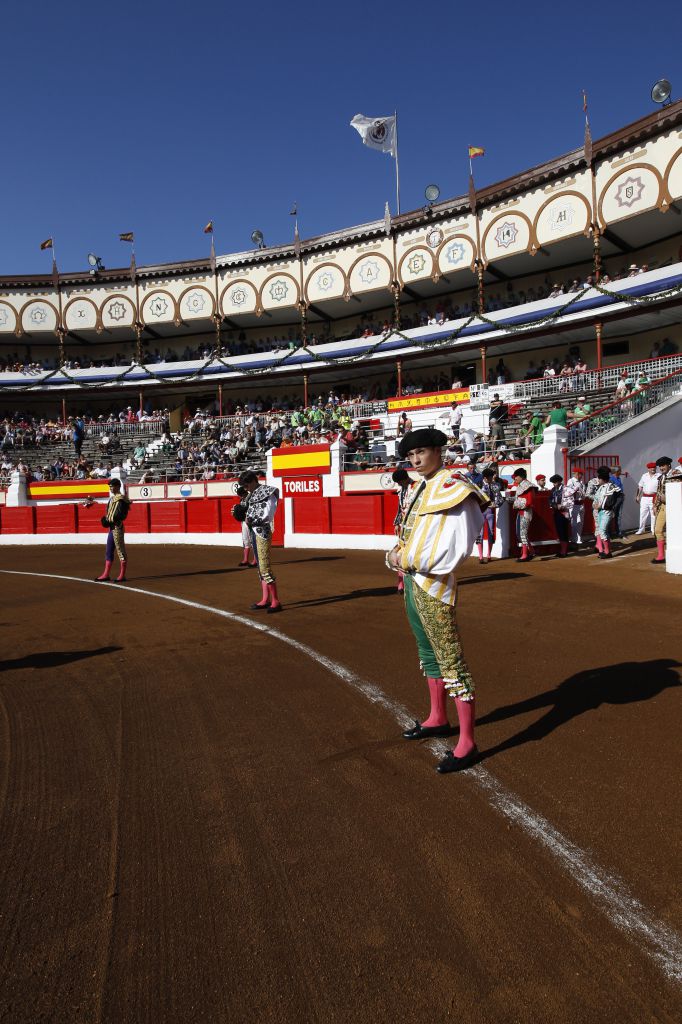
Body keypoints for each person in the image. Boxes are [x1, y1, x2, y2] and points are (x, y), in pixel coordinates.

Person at [386, 427, 487, 774]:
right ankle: (438, 717)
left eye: (421, 453)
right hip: (414, 583)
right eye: (410, 456)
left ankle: (468, 741)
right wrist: (398, 555)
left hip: (435, 584)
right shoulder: (419, 489)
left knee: (450, 657)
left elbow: (457, 548)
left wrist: (408, 560)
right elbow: (407, 534)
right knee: (427, 651)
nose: (415, 460)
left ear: (439, 451)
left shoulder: (455, 489)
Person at [233, 470, 282, 611]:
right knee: (260, 569)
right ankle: (265, 599)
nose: (246, 489)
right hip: (253, 531)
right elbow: (246, 511)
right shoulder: (251, 495)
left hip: (262, 532)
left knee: (265, 567)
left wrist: (252, 519)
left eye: (246, 486)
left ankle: (276, 601)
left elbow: (268, 514)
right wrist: (240, 514)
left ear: (252, 481)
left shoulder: (269, 492)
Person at [95, 478, 131, 583]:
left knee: (120, 551)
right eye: (110, 486)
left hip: (117, 527)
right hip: (112, 528)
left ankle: (122, 575)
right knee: (109, 550)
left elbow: (120, 515)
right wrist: (108, 520)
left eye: (112, 486)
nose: (111, 488)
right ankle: (106, 574)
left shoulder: (121, 499)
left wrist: (108, 520)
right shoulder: (113, 499)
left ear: (118, 486)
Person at [587, 466, 619, 559]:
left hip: (607, 508)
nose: (608, 475)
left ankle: (602, 548)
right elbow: (588, 494)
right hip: (597, 508)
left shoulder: (610, 482)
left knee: (604, 529)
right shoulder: (593, 482)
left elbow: (614, 496)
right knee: (599, 528)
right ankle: (601, 549)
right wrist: (599, 501)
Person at [476, 467, 505, 563]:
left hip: (490, 512)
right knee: (479, 534)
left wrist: (495, 505)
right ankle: (480, 556)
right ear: (485, 477)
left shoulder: (495, 485)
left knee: (491, 533)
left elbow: (500, 499)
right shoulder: (478, 485)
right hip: (480, 512)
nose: (491, 479)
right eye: (490, 477)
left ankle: (489, 555)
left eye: (491, 477)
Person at [391, 468, 413, 593]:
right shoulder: (401, 489)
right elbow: (400, 508)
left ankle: (409, 583)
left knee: (411, 554)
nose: (398, 484)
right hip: (403, 526)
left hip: (414, 527)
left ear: (404, 479)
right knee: (400, 553)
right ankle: (401, 583)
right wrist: (397, 523)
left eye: (399, 482)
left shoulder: (416, 487)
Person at [507, 468, 535, 561]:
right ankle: (531, 552)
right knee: (521, 533)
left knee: (523, 533)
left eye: (516, 476)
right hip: (520, 512)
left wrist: (517, 504)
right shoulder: (520, 485)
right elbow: (517, 499)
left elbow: (529, 501)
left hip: (526, 511)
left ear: (521, 476)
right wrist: (507, 499)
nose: (515, 478)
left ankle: (525, 555)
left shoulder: (528, 486)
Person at [652, 456, 673, 564]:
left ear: (669, 465)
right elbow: (658, 492)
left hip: (676, 506)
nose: (661, 468)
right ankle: (661, 556)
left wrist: (668, 498)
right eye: (660, 466)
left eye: (663, 465)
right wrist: (655, 505)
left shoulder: (676, 474)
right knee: (658, 530)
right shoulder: (661, 477)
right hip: (663, 506)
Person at [234, 484, 258, 567]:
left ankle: (255, 561)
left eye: (242, 495)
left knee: (253, 541)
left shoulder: (251, 498)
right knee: (246, 540)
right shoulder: (242, 500)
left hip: (252, 522)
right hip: (244, 522)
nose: (241, 496)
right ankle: (245, 560)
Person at [549, 475, 570, 556]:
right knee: (560, 531)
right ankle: (563, 550)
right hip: (556, 512)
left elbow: (570, 500)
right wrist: (555, 506)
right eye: (553, 483)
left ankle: (564, 551)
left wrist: (562, 506)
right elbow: (550, 500)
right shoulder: (553, 489)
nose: (554, 484)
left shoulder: (566, 489)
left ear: (559, 481)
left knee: (563, 531)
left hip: (565, 512)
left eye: (555, 482)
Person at [564, 468, 586, 544]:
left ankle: (579, 538)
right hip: (575, 504)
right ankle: (574, 538)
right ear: (577, 473)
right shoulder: (571, 481)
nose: (582, 475)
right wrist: (575, 490)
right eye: (580, 474)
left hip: (581, 503)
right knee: (575, 522)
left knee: (581, 522)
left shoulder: (581, 482)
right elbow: (569, 492)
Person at [635, 462, 659, 534]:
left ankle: (653, 529)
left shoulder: (659, 476)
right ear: (648, 469)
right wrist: (638, 496)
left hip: (654, 497)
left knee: (653, 514)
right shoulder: (644, 476)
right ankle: (641, 529)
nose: (653, 469)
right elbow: (640, 486)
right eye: (651, 468)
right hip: (645, 497)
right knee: (642, 513)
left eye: (654, 467)